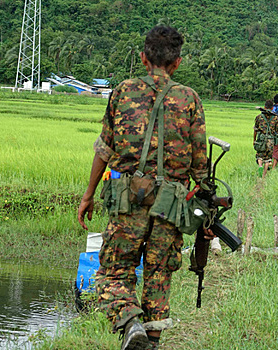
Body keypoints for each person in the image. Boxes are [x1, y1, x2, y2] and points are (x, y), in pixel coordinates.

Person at [77, 26, 210, 350]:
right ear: (177, 63)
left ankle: (130, 322)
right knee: (158, 278)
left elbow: (104, 150)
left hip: (127, 204)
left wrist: (88, 195)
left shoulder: (122, 92)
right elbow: (199, 164)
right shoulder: (189, 99)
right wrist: (206, 211)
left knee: (113, 273)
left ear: (143, 57)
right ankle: (148, 339)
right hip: (170, 207)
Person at [253, 100, 278, 178]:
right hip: (270, 140)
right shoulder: (275, 118)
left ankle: (260, 166)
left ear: (264, 107)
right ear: (272, 108)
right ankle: (264, 175)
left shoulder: (259, 117)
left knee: (259, 155)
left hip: (261, 139)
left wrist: (254, 140)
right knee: (268, 158)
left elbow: (255, 129)